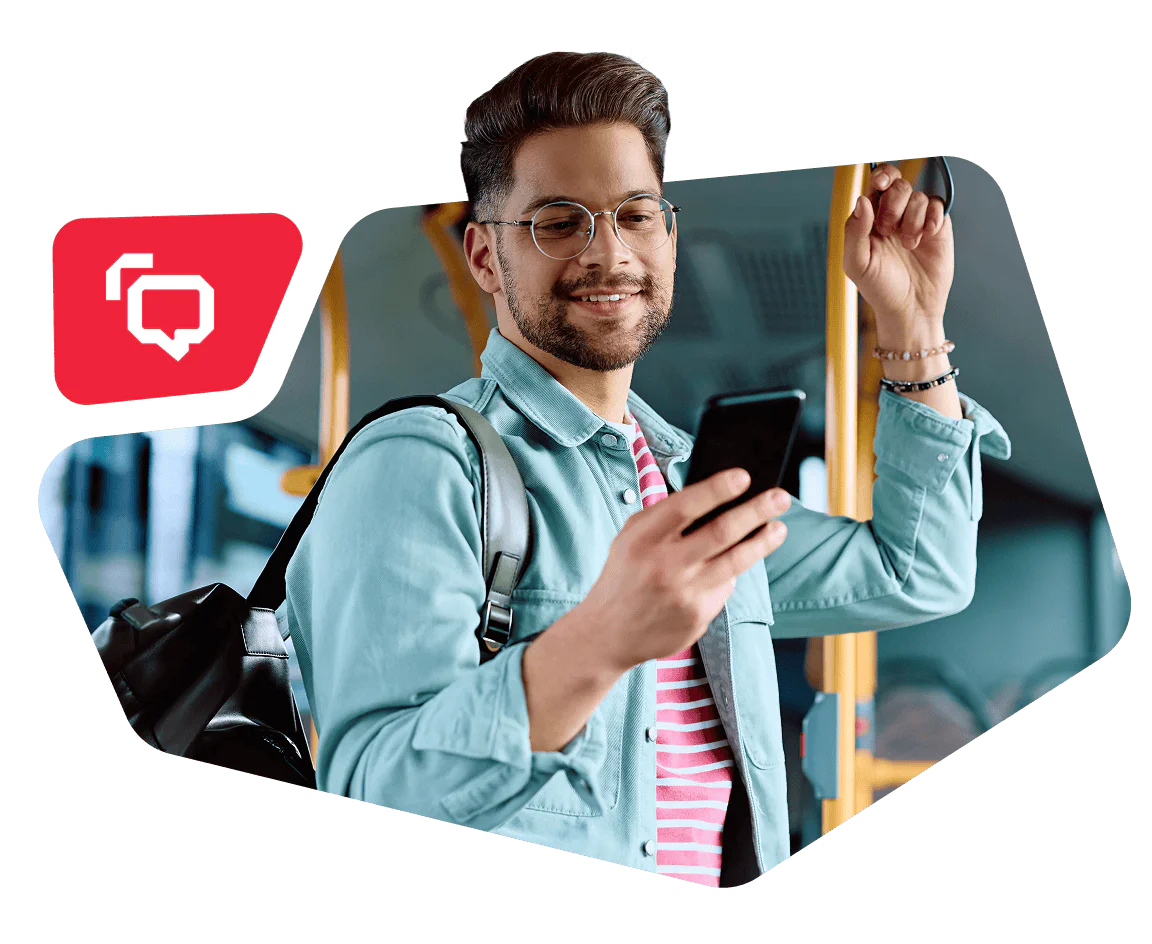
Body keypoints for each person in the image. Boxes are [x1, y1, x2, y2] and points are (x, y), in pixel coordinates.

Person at [285, 50, 1011, 887]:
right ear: (485, 258)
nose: (608, 253)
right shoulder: (419, 464)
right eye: (559, 222)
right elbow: (376, 793)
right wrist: (598, 642)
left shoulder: (677, 484)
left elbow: (919, 570)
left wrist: (912, 324)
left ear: (668, 236)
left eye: (635, 215)